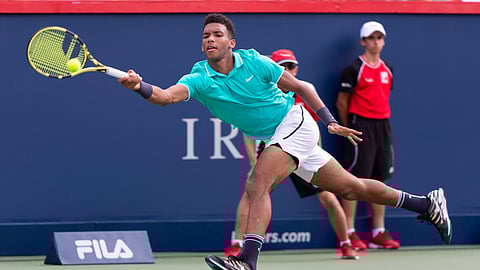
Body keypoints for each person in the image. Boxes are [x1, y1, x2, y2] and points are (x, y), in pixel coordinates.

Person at [117, 13, 452, 270]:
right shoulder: (200, 78)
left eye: (218, 34)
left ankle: (247, 260)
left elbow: (303, 88)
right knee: (351, 188)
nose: (210, 39)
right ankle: (426, 204)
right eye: (205, 35)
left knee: (257, 183)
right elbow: (164, 97)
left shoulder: (256, 62)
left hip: (295, 122)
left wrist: (331, 122)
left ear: (231, 42)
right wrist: (139, 86)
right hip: (277, 135)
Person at [225, 49, 358, 260]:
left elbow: (314, 126)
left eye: (291, 66)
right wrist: (253, 161)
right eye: (282, 66)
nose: (287, 70)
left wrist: (316, 154)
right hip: (272, 153)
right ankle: (237, 244)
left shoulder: (306, 91)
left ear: (296, 69)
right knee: (251, 193)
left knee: (329, 198)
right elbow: (248, 134)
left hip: (302, 152)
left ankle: (346, 243)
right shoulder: (262, 91)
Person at [336, 21, 399, 250]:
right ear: (363, 41)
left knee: (379, 178)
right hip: (359, 125)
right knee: (354, 181)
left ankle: (378, 232)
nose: (376, 42)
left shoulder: (388, 68)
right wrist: (347, 128)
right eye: (371, 38)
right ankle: (350, 232)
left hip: (383, 126)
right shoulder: (354, 69)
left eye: (379, 38)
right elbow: (342, 102)